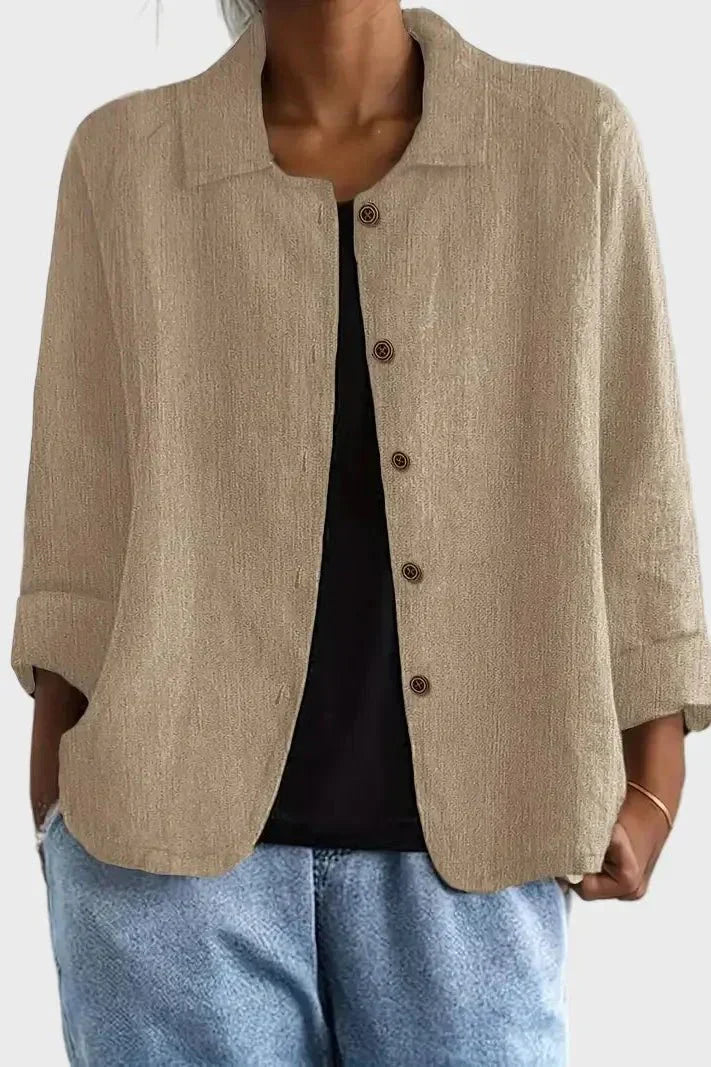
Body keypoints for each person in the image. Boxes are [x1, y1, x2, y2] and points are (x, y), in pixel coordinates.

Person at [12, 1, 711, 1064]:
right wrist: (60, 811)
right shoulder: (127, 161)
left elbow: (637, 473)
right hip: (161, 871)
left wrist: (655, 778)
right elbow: (81, 501)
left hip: (478, 853)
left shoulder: (570, 144)